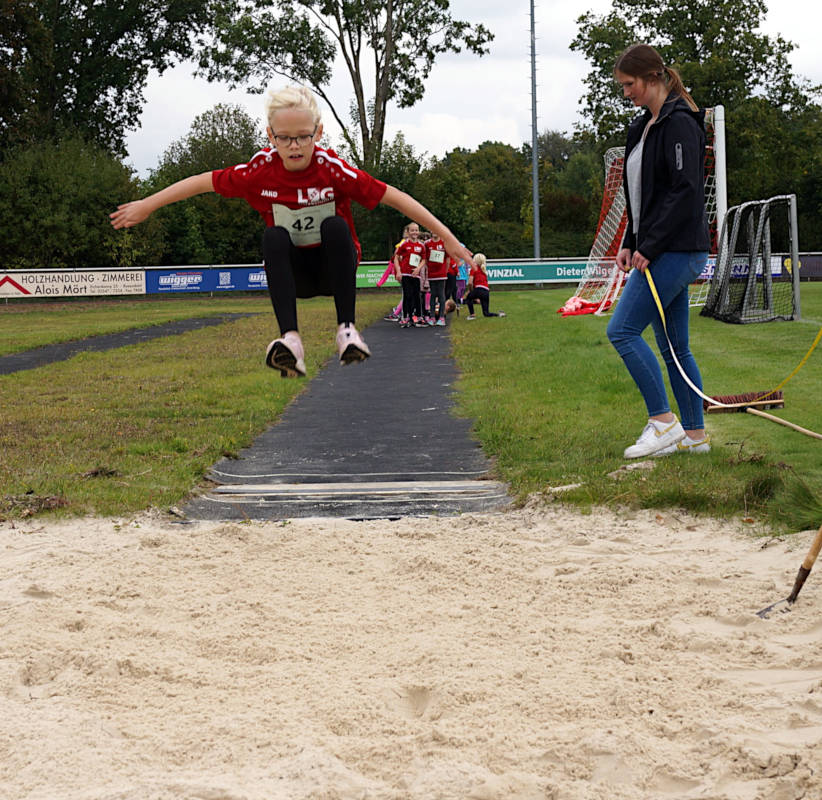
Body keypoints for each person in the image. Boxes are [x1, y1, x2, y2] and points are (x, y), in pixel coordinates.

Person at [110, 85, 473, 377]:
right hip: (294, 274)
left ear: (318, 132)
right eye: (284, 138)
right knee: (273, 237)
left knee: (334, 226)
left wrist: (451, 241)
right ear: (271, 135)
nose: (295, 146)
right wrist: (148, 205)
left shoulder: (332, 168)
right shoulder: (260, 170)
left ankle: (347, 330)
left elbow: (395, 197)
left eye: (303, 136)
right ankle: (291, 340)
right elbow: (202, 182)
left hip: (334, 270)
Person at [606, 43, 711, 458]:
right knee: (674, 347)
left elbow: (684, 192)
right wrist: (630, 241)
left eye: (629, 84)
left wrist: (649, 245)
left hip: (678, 250)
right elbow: (642, 195)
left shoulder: (681, 121)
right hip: (658, 247)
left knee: (623, 330)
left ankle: (663, 422)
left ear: (652, 78)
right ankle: (695, 438)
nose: (626, 92)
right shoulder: (642, 126)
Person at [392, 222, 426, 327]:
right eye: (412, 230)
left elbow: (424, 259)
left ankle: (419, 317)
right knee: (408, 295)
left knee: (417, 295)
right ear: (408, 232)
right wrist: (398, 271)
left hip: (416, 275)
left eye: (416, 230)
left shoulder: (421, 245)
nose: (414, 232)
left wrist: (418, 268)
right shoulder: (404, 244)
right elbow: (396, 257)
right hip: (405, 274)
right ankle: (406, 317)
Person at [464, 253, 505, 320]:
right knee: (486, 313)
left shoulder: (473, 269)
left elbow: (470, 283)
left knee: (468, 298)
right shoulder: (484, 271)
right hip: (486, 291)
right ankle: (499, 314)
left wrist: (470, 291)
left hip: (478, 289)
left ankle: (472, 315)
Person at [424, 233, 449, 326]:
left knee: (441, 294)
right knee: (433, 294)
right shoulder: (427, 244)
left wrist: (445, 271)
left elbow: (447, 259)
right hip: (431, 274)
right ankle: (432, 317)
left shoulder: (444, 243)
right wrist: (428, 269)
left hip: (441, 274)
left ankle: (442, 317)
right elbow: (425, 258)